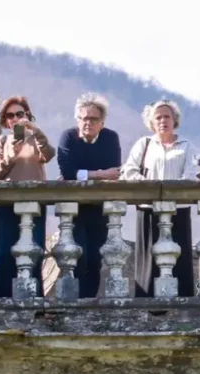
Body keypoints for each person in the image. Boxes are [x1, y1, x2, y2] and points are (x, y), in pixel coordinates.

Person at [120, 99, 199, 297]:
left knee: (179, 260)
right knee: (148, 261)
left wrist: (170, 192)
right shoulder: (144, 144)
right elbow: (129, 171)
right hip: (148, 210)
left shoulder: (186, 146)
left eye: (167, 117)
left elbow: (191, 175)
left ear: (174, 120)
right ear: (152, 122)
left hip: (178, 211)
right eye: (158, 117)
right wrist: (151, 188)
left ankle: (182, 302)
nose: (163, 121)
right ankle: (147, 303)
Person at [56, 93, 123, 298]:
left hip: (99, 208)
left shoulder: (110, 138)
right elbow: (67, 171)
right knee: (76, 256)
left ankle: (88, 302)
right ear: (77, 120)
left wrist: (81, 174)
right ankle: (72, 301)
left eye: (93, 119)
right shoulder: (68, 137)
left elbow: (115, 171)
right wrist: (100, 174)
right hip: (73, 209)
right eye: (84, 118)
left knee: (95, 259)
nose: (88, 123)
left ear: (102, 122)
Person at [0, 96, 55, 297]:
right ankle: (3, 300)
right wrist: (10, 156)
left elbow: (49, 154)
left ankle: (35, 300)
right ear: (5, 120)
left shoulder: (36, 139)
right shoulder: (3, 141)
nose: (15, 118)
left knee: (34, 252)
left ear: (27, 115)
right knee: (4, 255)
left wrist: (35, 131)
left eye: (19, 114)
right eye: (10, 116)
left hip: (35, 204)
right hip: (7, 204)